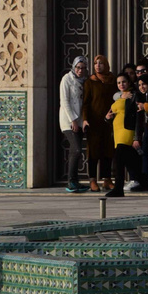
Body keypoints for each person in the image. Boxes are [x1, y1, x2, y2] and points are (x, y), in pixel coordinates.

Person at [105, 71, 148, 196]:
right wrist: (107, 117)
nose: (121, 84)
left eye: (124, 82)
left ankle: (118, 188)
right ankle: (143, 181)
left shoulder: (134, 95)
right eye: (118, 82)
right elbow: (110, 115)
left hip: (127, 131)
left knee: (119, 159)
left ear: (129, 82)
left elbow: (138, 118)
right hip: (117, 133)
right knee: (130, 161)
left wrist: (136, 137)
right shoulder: (119, 97)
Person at [82, 54, 116, 191]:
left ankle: (107, 179)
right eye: (96, 63)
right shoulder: (90, 82)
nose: (98, 66)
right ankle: (92, 180)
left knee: (108, 150)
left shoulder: (113, 80)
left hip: (109, 122)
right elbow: (86, 103)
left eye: (101, 63)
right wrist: (85, 119)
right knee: (94, 151)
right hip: (94, 122)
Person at [59, 56, 87, 193]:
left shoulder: (84, 81)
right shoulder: (67, 79)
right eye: (78, 67)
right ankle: (71, 181)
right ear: (73, 67)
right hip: (69, 121)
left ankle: (74, 181)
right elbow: (65, 102)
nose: (80, 70)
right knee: (76, 150)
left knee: (74, 151)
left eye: (83, 68)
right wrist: (73, 120)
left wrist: (81, 121)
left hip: (80, 121)